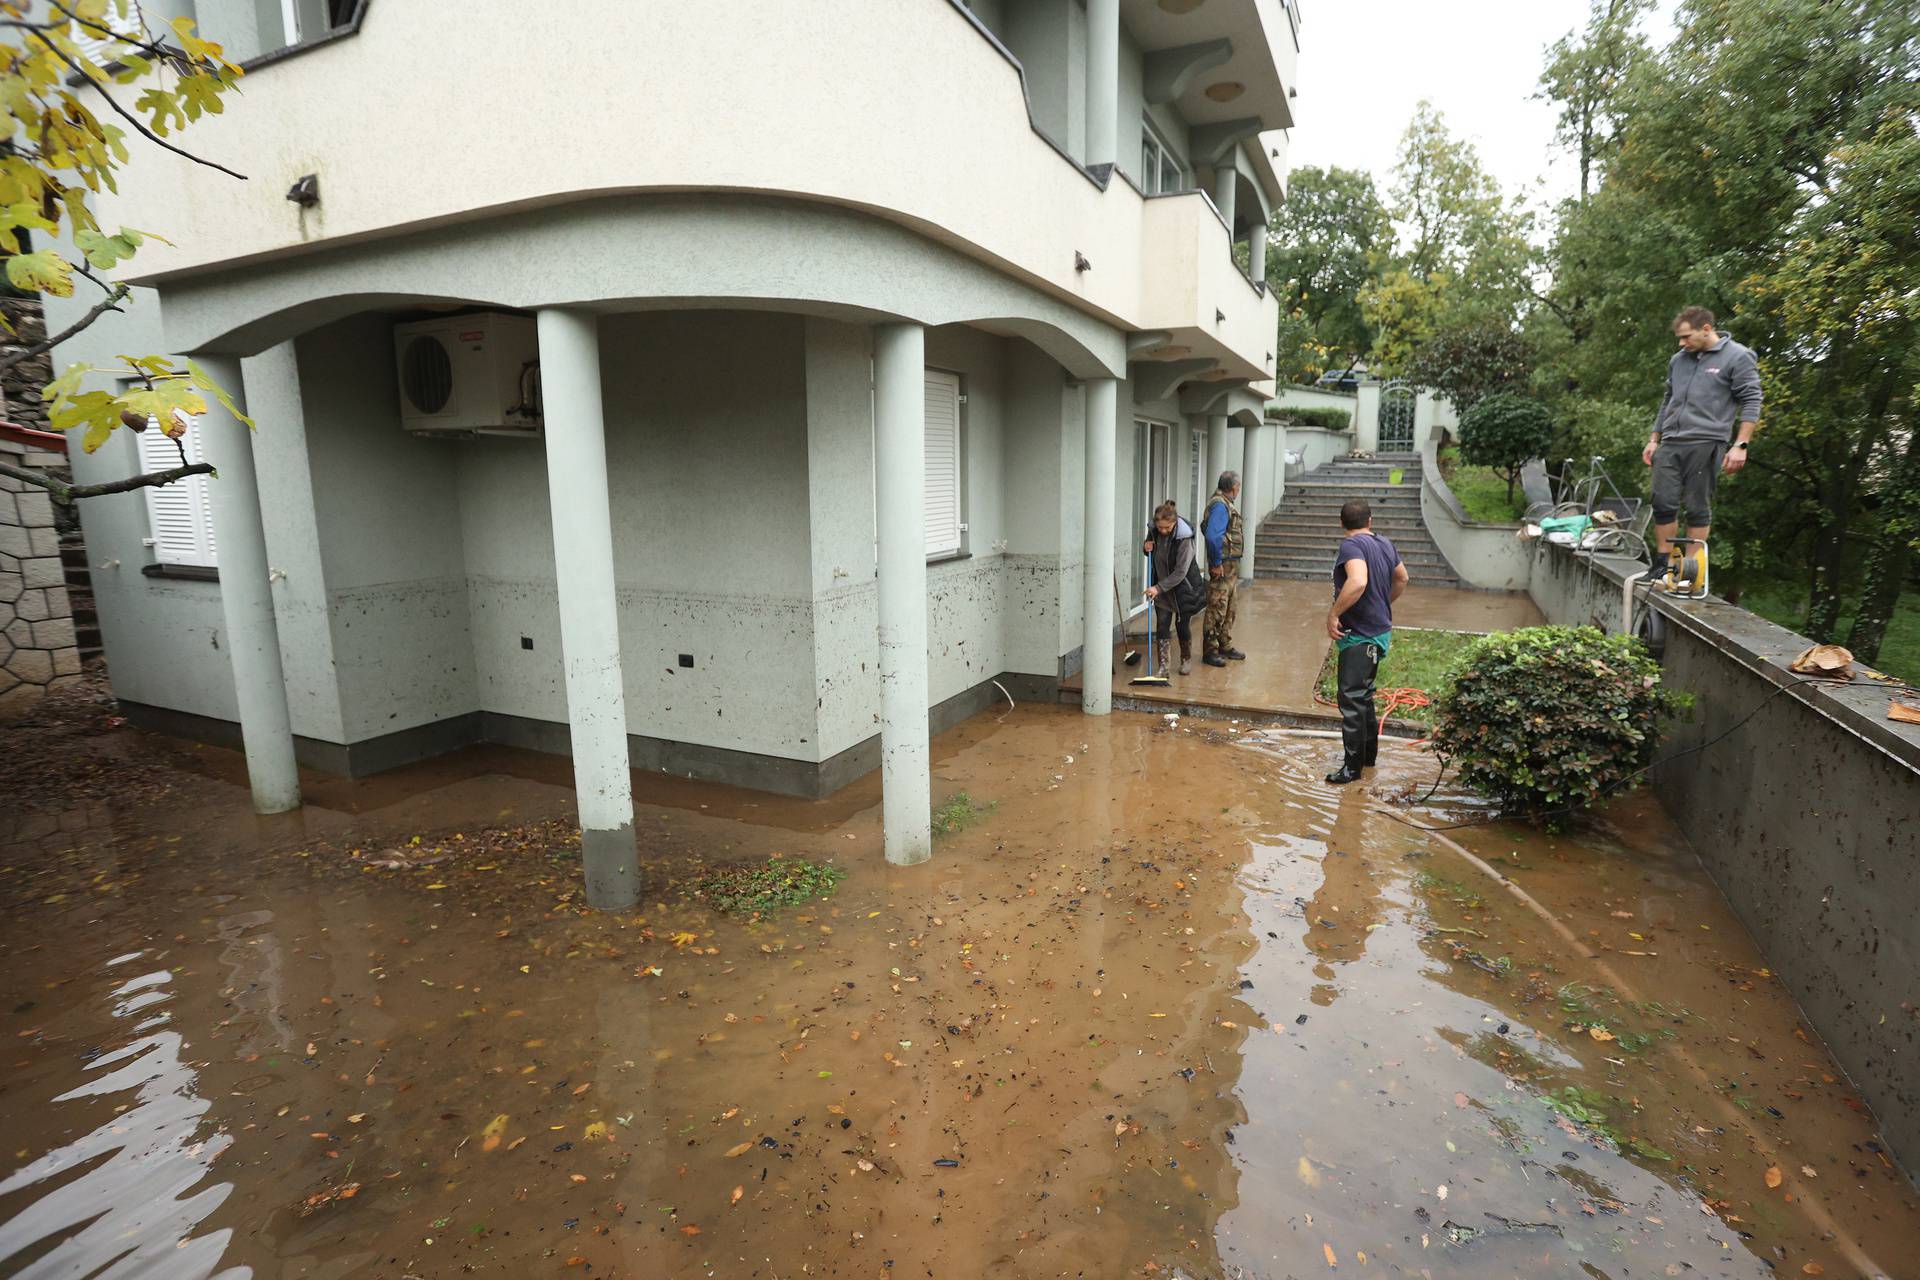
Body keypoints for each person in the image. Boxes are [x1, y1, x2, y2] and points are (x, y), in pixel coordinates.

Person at [1642, 305, 1762, 592]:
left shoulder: (1738, 356)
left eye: (1686, 337)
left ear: (1707, 329)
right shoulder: (1678, 361)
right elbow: (1668, 399)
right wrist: (1654, 438)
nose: (1682, 343)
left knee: (1696, 507)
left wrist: (1740, 445)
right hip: (1671, 440)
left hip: (1707, 441)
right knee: (1663, 502)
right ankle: (1663, 563)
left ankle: (1689, 571)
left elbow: (1752, 399)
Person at [1324, 498, 1407, 785]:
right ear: (1370, 521)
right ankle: (1367, 757)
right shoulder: (1384, 543)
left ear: (1342, 523)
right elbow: (1402, 578)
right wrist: (1383, 604)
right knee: (1363, 695)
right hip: (1379, 631)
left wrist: (1334, 614)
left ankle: (1352, 768)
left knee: (1351, 698)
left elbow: (1358, 581)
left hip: (1361, 636)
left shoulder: (1351, 546)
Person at [1142, 499, 1207, 677]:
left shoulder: (1184, 539)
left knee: (1181, 626)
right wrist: (1145, 546)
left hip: (1182, 589)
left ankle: (1186, 659)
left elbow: (1180, 572)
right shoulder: (1154, 531)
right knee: (1162, 625)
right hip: (1162, 587)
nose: (1162, 531)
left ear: (1175, 522)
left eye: (1166, 528)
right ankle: (1163, 668)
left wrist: (1158, 587)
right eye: (1159, 527)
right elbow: (1151, 548)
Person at [1200, 470, 1246, 668]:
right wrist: (1216, 563)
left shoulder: (1225, 503)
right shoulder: (1220, 505)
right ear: (1233, 487)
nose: (1238, 489)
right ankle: (1210, 651)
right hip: (1223, 565)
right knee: (1217, 607)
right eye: (1238, 486)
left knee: (1230, 607)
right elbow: (1212, 536)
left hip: (1231, 566)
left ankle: (1224, 644)